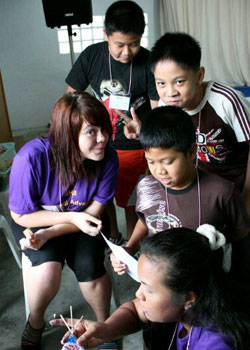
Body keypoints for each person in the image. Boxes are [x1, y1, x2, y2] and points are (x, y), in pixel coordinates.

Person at [9, 91, 119, 350]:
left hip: (85, 220)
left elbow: (93, 212)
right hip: (36, 219)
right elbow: (20, 214)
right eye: (91, 132)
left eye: (104, 128)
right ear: (68, 134)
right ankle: (35, 323)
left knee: (90, 267)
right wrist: (54, 228)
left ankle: (104, 327)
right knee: (48, 270)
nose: (102, 138)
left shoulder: (107, 158)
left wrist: (56, 230)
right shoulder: (31, 158)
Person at [111, 106, 249, 282]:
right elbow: (146, 219)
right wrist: (129, 248)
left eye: (168, 162)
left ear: (192, 151)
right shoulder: (146, 186)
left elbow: (241, 230)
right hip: (158, 280)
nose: (159, 171)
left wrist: (215, 240)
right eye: (151, 161)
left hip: (204, 281)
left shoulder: (221, 191)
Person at [52, 228, 250, 350]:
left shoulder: (216, 344)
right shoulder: (192, 304)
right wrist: (106, 330)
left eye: (149, 289)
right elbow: (135, 311)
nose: (138, 294)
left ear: (188, 298)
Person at [122, 32, 250, 215]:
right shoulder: (166, 104)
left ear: (199, 75)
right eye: (161, 83)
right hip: (196, 188)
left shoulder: (226, 101)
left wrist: (247, 198)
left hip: (233, 188)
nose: (170, 92)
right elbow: (166, 146)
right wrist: (144, 131)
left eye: (179, 82)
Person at [65, 0, 159, 241]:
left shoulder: (149, 62)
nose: (126, 52)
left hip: (134, 146)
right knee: (102, 194)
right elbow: (70, 98)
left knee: (131, 201)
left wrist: (145, 129)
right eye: (119, 45)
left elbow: (159, 111)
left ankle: (131, 242)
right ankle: (112, 234)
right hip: (99, 144)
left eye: (134, 44)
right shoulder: (92, 56)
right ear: (105, 34)